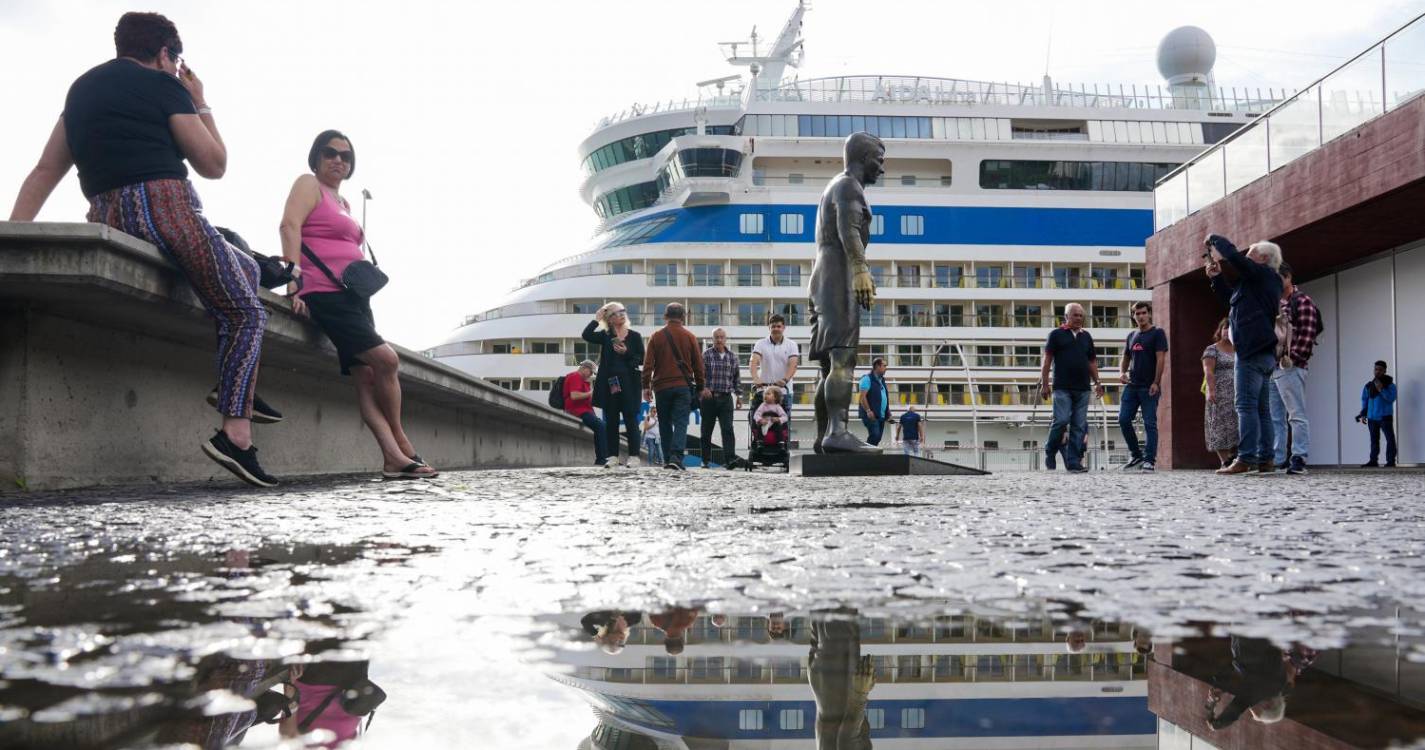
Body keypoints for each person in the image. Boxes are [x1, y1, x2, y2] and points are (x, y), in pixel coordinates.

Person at [9, 13, 281, 486]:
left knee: (247, 269)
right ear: (163, 54)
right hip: (164, 207)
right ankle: (234, 437)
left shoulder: (81, 90)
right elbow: (214, 164)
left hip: (106, 211)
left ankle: (237, 386)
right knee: (248, 313)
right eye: (174, 61)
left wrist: (11, 241)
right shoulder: (164, 85)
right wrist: (201, 102)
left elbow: (43, 171)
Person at [283, 130, 436, 480]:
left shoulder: (343, 202)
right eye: (330, 152)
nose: (338, 160)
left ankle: (392, 458)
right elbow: (289, 226)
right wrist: (294, 282)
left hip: (352, 295)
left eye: (345, 156)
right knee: (387, 360)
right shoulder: (308, 184)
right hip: (324, 293)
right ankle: (401, 440)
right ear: (316, 157)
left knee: (366, 375)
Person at [810, 132, 885, 454]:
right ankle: (837, 433)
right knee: (843, 357)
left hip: (822, 276)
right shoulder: (848, 186)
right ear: (862, 157)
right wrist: (860, 269)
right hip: (838, 275)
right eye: (878, 160)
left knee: (829, 365)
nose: (881, 169)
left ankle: (823, 436)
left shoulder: (834, 185)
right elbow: (848, 229)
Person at [1205, 235, 1284, 475]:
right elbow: (1231, 301)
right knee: (1261, 409)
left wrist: (1214, 239)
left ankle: (1246, 457)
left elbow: (1234, 257)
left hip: (1250, 352)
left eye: (1251, 252)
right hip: (1260, 351)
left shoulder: (1264, 275)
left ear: (1264, 258)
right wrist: (1217, 278)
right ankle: (1265, 459)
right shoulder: (1255, 282)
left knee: (1246, 406)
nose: (1246, 255)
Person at [1268, 262, 1323, 475]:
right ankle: (1279, 459)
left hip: (1291, 366)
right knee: (1275, 418)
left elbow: (1307, 335)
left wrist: (1290, 359)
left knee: (1296, 415)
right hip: (1272, 367)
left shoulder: (1302, 301)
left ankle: (1299, 458)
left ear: (1288, 277)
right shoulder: (1275, 303)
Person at [1039, 303, 1104, 473]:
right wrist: (1045, 384)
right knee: (1060, 421)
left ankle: (1074, 462)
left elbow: (1091, 362)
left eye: (1081, 315)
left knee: (1079, 425)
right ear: (1066, 316)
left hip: (1083, 388)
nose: (1079, 318)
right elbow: (1047, 361)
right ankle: (1050, 449)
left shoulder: (1086, 336)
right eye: (1075, 315)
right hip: (1062, 387)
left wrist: (1098, 382)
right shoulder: (1056, 335)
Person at [642, 303, 706, 470]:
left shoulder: (656, 337)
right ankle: (676, 458)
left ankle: (667, 458)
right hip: (682, 386)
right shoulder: (690, 336)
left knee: (664, 423)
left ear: (665, 316)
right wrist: (700, 387)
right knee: (680, 422)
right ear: (683, 317)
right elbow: (698, 365)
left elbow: (648, 364)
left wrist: (645, 387)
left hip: (661, 387)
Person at [583, 302, 645, 467]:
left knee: (631, 419)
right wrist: (596, 320)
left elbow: (641, 358)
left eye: (623, 311)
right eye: (617, 313)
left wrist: (627, 353)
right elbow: (586, 335)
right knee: (611, 420)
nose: (622, 314)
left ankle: (634, 456)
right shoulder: (605, 335)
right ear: (609, 319)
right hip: (610, 383)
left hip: (630, 384)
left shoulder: (635, 336)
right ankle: (612, 456)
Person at [1118, 301, 1167, 471]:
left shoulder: (1158, 333)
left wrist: (1156, 382)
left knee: (1149, 423)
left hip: (1149, 387)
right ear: (1133, 316)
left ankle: (1149, 460)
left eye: (1143, 313)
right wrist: (1122, 372)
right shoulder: (1131, 336)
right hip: (1132, 386)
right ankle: (1136, 455)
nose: (1140, 316)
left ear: (1149, 314)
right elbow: (1125, 357)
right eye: (1137, 313)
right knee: (1123, 419)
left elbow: (1161, 358)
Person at [700, 328, 743, 469]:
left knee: (728, 429)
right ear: (712, 339)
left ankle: (730, 460)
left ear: (725, 339)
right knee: (706, 430)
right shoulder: (706, 355)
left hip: (726, 398)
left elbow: (737, 377)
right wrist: (703, 387)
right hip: (709, 398)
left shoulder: (732, 356)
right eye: (716, 337)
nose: (719, 340)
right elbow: (700, 375)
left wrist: (739, 396)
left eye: (721, 337)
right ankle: (705, 461)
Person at [1202, 318, 1239, 469]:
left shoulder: (1239, 348)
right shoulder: (1212, 349)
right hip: (1219, 393)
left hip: (1237, 394)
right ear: (1220, 330)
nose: (1226, 331)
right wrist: (1211, 391)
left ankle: (1235, 458)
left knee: (1236, 426)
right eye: (1224, 328)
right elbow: (1208, 371)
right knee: (1218, 426)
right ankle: (1225, 461)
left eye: (1230, 328)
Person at [750, 314, 801, 413]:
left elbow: (793, 364)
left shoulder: (792, 345)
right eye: (773, 326)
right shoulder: (760, 343)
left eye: (778, 326)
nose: (776, 329)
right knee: (758, 422)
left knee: (783, 424)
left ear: (783, 328)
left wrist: (785, 380)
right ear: (769, 327)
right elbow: (753, 361)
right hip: (764, 391)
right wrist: (756, 378)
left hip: (784, 392)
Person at [562, 360, 608, 466]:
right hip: (578, 410)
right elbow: (574, 396)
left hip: (585, 410)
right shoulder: (575, 376)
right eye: (590, 372)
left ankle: (606, 457)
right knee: (601, 426)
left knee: (604, 426)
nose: (591, 375)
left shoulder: (582, 380)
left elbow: (586, 397)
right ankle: (601, 459)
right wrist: (591, 393)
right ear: (584, 368)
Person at [1357, 360, 1398, 467]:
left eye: (1380, 370)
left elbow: (1391, 398)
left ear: (1384, 370)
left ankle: (1391, 461)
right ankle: (1373, 461)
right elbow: (1364, 400)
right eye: (1376, 369)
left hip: (1385, 417)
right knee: (1374, 440)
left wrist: (1381, 390)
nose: (1377, 371)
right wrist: (1363, 414)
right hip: (1372, 417)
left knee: (1390, 439)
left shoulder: (1390, 385)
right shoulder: (1369, 385)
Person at [857, 357, 890, 445]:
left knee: (877, 438)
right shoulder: (867, 379)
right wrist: (868, 411)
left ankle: (870, 455)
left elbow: (884, 397)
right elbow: (862, 397)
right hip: (871, 414)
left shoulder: (882, 380)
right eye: (884, 366)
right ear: (877, 366)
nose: (886, 368)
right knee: (875, 435)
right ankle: (864, 453)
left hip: (881, 415)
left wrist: (888, 413)